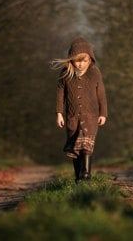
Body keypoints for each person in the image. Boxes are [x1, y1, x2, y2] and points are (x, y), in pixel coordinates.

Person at [51, 37, 107, 182]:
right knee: (75, 149)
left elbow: (101, 94)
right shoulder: (65, 74)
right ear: (71, 59)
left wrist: (103, 113)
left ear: (90, 60)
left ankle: (86, 174)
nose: (81, 64)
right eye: (77, 60)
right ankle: (78, 178)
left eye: (84, 61)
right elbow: (60, 94)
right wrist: (59, 113)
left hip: (91, 117)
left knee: (86, 145)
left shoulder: (95, 73)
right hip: (72, 118)